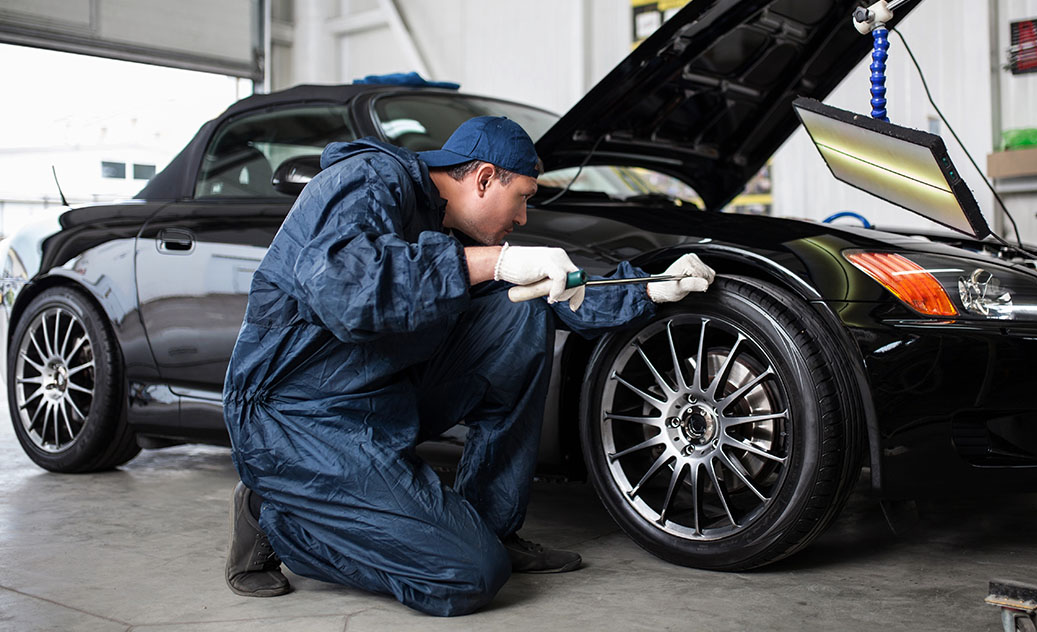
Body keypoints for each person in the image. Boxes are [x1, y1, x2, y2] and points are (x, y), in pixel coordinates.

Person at [222, 116, 715, 616]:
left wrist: (651, 288)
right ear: (483, 178)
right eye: (522, 196)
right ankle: (280, 516)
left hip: (374, 388)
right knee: (467, 575)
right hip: (291, 417)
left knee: (522, 307)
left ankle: (490, 523)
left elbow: (563, 294)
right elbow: (347, 291)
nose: (523, 217)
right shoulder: (369, 180)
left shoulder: (445, 220)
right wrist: (493, 262)